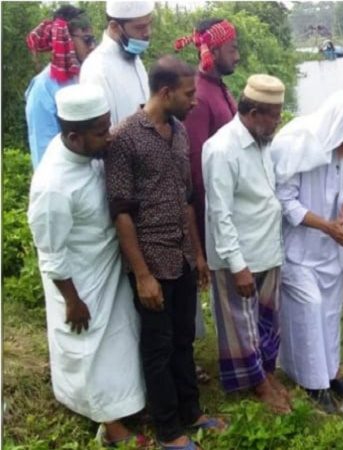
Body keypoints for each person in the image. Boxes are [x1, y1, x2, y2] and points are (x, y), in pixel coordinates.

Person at [104, 55, 222, 449]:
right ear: (166, 92)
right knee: (157, 347)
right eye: (189, 94)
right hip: (152, 261)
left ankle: (193, 411)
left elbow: (187, 199)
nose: (195, 102)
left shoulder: (180, 130)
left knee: (184, 338)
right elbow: (121, 213)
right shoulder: (124, 139)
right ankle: (169, 429)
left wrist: (199, 254)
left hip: (183, 256)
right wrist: (142, 275)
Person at [27, 84, 147, 447]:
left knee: (120, 343)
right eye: (100, 132)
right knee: (91, 353)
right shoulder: (53, 186)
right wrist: (72, 300)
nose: (108, 136)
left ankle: (126, 404)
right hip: (79, 282)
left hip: (106, 266)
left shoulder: (84, 153)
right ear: (74, 137)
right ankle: (111, 427)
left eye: (107, 125)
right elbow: (50, 252)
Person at [271, 90, 343, 413]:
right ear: (338, 125)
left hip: (330, 247)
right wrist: (328, 226)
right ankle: (313, 384)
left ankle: (332, 374)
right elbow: (286, 202)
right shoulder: (296, 141)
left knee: (330, 312)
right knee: (309, 309)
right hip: (298, 250)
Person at [202, 74, 291, 413]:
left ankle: (266, 372)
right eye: (273, 115)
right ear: (253, 112)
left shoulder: (263, 141)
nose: (278, 121)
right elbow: (219, 213)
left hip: (268, 249)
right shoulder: (222, 148)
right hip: (238, 256)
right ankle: (257, 384)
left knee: (266, 321)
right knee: (241, 324)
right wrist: (237, 266)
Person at [175, 17, 240, 384]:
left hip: (228, 205)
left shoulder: (219, 88)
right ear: (213, 51)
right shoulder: (200, 98)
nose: (238, 55)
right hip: (212, 211)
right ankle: (232, 358)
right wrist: (201, 235)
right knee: (224, 286)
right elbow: (196, 167)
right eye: (232, 49)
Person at [25, 5, 96, 169]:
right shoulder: (43, 88)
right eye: (86, 40)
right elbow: (43, 152)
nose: (92, 46)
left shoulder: (87, 75)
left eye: (93, 39)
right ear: (65, 38)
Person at [80, 1, 153, 126]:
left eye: (149, 25)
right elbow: (101, 135)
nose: (148, 32)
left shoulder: (134, 58)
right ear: (114, 27)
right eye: (140, 27)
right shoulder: (97, 69)